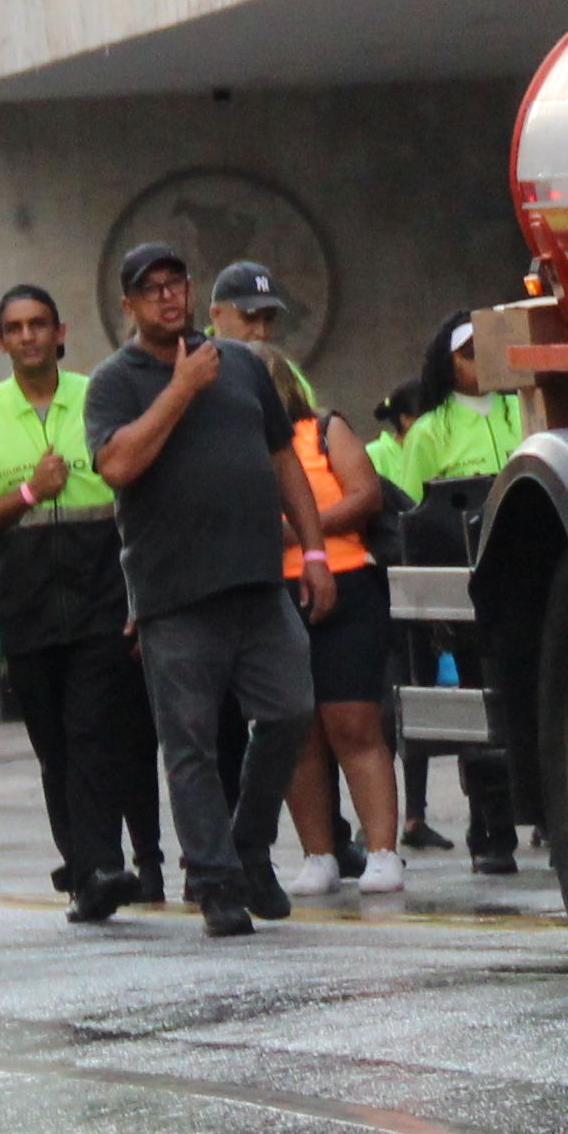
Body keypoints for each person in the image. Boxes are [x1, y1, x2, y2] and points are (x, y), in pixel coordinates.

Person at [88, 241, 330, 938]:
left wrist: (312, 550)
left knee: (289, 712)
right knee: (189, 742)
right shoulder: (116, 381)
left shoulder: (245, 368)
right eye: (151, 289)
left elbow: (284, 457)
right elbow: (119, 464)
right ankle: (217, 879)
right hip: (175, 595)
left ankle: (248, 843)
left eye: (177, 284)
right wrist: (182, 388)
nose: (169, 297)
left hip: (259, 581)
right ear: (129, 306)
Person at [0, 283, 159, 925]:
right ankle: (85, 867)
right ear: (0, 341)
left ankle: (100, 864)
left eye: (40, 324)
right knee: (53, 743)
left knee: (94, 730)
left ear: (61, 332)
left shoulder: (100, 396)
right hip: (27, 604)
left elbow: (138, 495)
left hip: (102, 592)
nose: (30, 336)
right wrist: (31, 494)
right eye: (16, 327)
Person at [214, 263, 401, 900]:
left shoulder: (322, 428)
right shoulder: (231, 449)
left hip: (346, 587)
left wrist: (301, 529)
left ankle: (381, 850)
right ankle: (317, 852)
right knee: (295, 733)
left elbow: (366, 493)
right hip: (274, 598)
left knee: (355, 724)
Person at [370, 316, 523, 873]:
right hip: (461, 579)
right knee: (480, 702)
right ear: (448, 363)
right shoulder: (431, 429)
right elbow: (412, 512)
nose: (480, 362)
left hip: (520, 567)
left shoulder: (521, 412)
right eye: (467, 353)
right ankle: (491, 828)